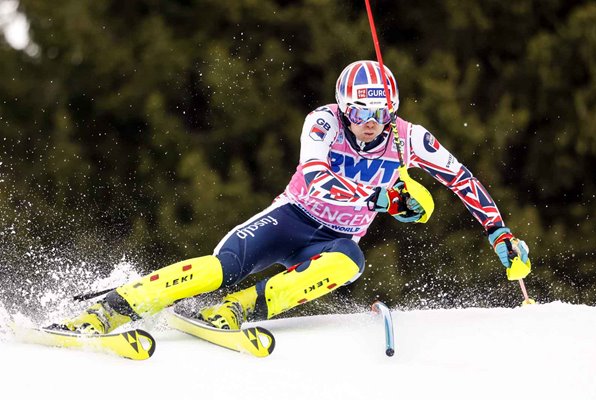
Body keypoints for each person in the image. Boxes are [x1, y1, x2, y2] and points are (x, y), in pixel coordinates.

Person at [53, 60, 531, 334]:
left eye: (381, 110)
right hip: (291, 217)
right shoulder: (322, 122)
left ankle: (241, 308)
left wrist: (499, 231)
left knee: (350, 263)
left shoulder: (408, 138)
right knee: (221, 267)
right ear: (345, 106)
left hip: (332, 239)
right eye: (361, 109)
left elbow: (461, 178)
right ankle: (112, 306)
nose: (371, 120)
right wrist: (376, 198)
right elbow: (315, 174)